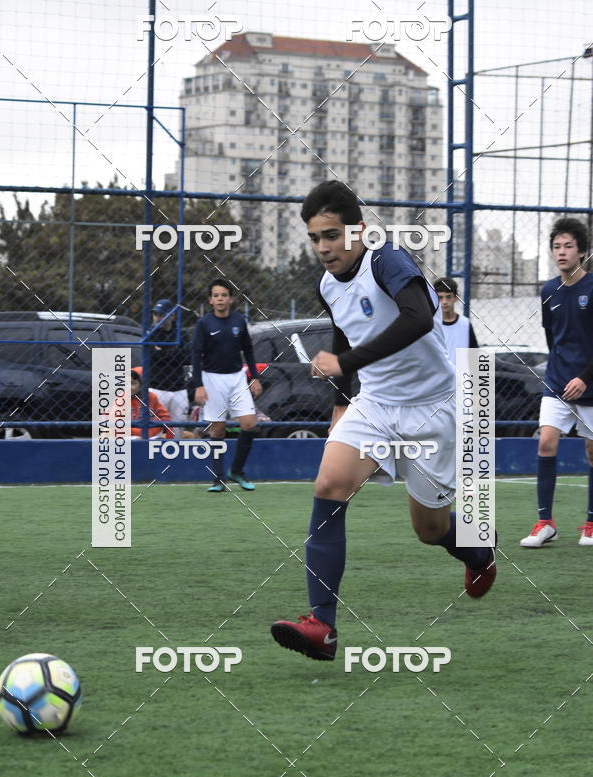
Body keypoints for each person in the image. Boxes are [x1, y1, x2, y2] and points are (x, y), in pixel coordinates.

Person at [271, 181, 497, 662]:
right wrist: (339, 400)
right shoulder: (328, 284)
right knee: (329, 486)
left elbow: (416, 317)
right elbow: (342, 332)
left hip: (432, 407)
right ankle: (321, 626)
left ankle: (478, 550)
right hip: (374, 403)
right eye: (314, 238)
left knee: (429, 530)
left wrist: (346, 362)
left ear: (360, 229)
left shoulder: (387, 258)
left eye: (331, 234)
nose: (323, 247)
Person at [520, 216, 593, 548]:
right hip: (556, 382)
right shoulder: (548, 290)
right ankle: (545, 523)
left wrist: (584, 377)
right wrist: (564, 374)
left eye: (568, 246)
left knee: (592, 452)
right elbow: (554, 339)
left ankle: (590, 524)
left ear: (581, 251)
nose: (561, 252)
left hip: (590, 384)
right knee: (545, 442)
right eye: (556, 246)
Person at [191, 279, 262, 491]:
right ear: (210, 300)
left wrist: (255, 377)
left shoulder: (239, 321)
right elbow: (196, 354)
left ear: (230, 298)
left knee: (250, 424)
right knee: (218, 430)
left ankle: (237, 471)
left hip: (237, 378)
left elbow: (248, 350)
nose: (220, 299)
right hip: (212, 379)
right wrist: (199, 385)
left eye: (224, 295)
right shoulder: (204, 323)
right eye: (216, 295)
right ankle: (218, 479)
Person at [149, 299, 190, 438]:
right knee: (155, 431)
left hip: (179, 388)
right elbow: (152, 356)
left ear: (172, 316)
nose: (158, 317)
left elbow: (187, 358)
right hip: (157, 388)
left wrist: (163, 353)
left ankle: (175, 459)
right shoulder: (150, 333)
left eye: (162, 314)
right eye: (155, 314)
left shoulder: (181, 333)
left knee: (177, 432)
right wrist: (173, 353)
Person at [433, 277, 479, 361]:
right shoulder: (431, 325)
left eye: (448, 297)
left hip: (462, 373)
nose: (444, 302)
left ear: (456, 298)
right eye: (440, 298)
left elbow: (474, 355)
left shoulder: (465, 324)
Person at [129, 367, 174, 438]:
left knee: (159, 440)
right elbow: (117, 423)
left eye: (133, 383)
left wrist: (150, 432)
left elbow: (165, 418)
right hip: (128, 436)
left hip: (149, 434)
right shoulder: (121, 399)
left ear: (143, 385)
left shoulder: (151, 397)